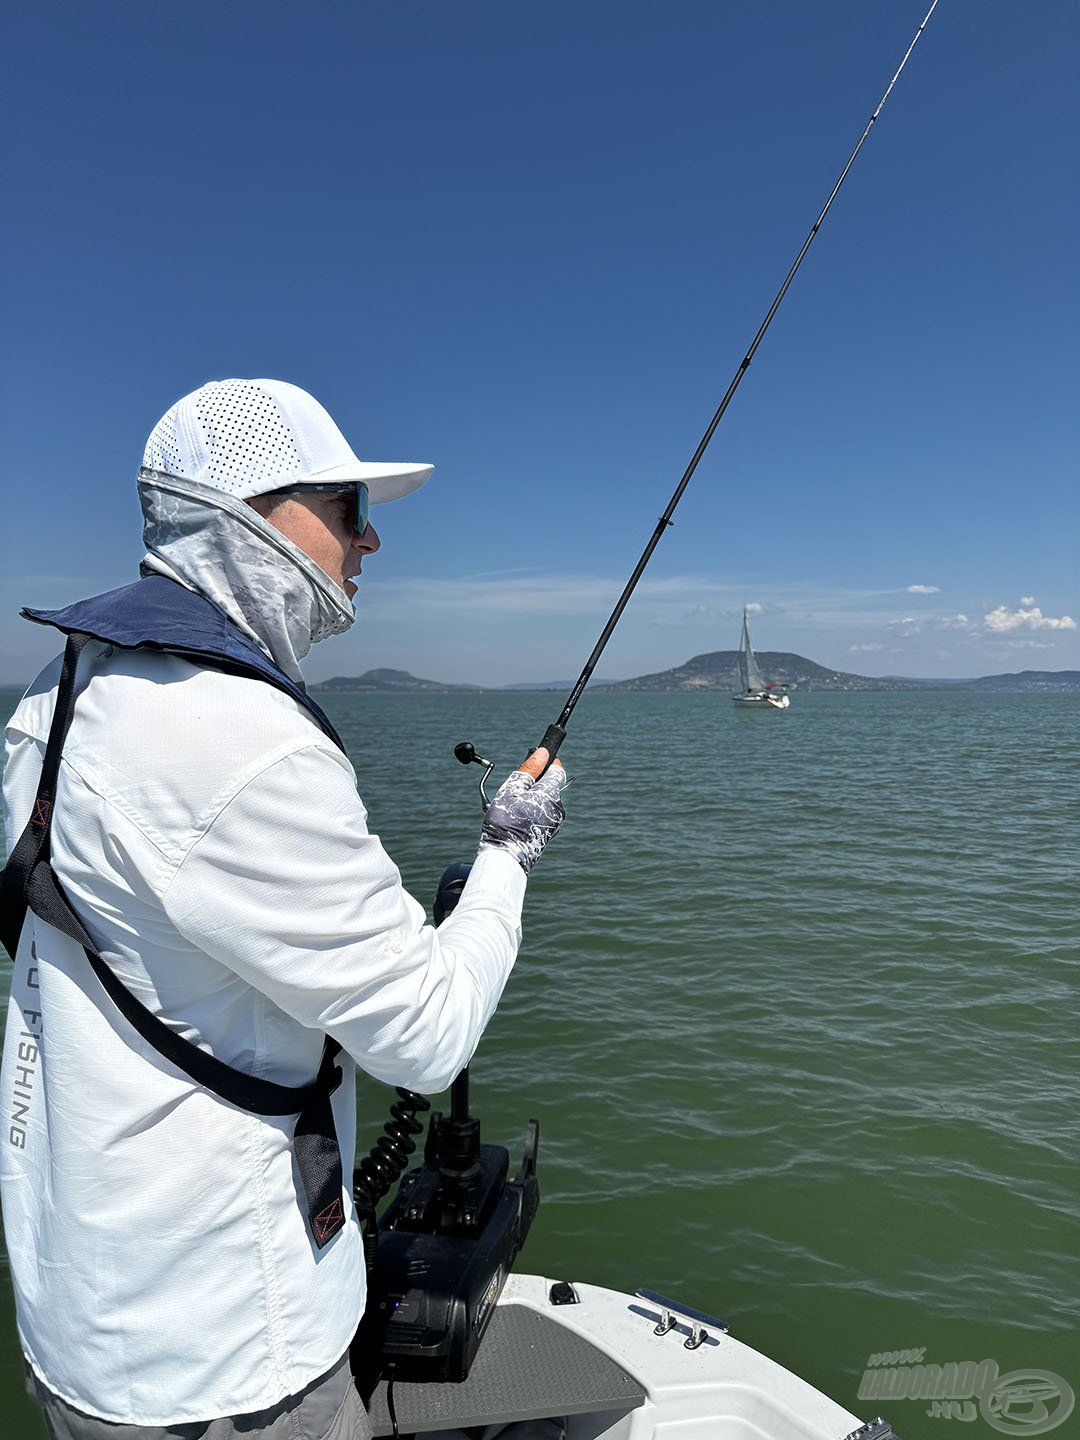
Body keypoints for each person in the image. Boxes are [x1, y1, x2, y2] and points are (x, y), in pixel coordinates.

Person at [0, 378, 568, 1439]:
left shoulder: (57, 687)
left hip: (75, 1320)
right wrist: (508, 852)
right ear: (255, 518)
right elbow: (429, 1036)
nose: (370, 544)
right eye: (351, 511)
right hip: (224, 1363)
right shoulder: (240, 740)